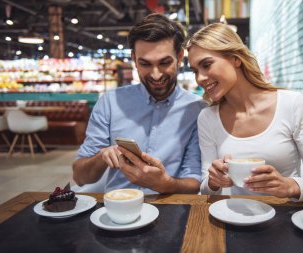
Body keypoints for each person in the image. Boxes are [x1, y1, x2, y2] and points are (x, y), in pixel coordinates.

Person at [186, 23, 303, 201]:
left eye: (207, 65)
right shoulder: (207, 117)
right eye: (195, 71)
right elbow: (206, 189)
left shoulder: (293, 103)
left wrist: (290, 186)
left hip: (287, 218)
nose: (200, 78)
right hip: (236, 218)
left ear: (236, 59)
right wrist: (213, 181)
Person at [72, 13, 205, 194]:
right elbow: (80, 178)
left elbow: (194, 180)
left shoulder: (197, 109)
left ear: (180, 56)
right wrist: (102, 157)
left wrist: (165, 183)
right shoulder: (110, 103)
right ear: (134, 59)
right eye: (145, 64)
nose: (156, 74)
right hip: (116, 208)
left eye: (165, 63)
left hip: (169, 206)